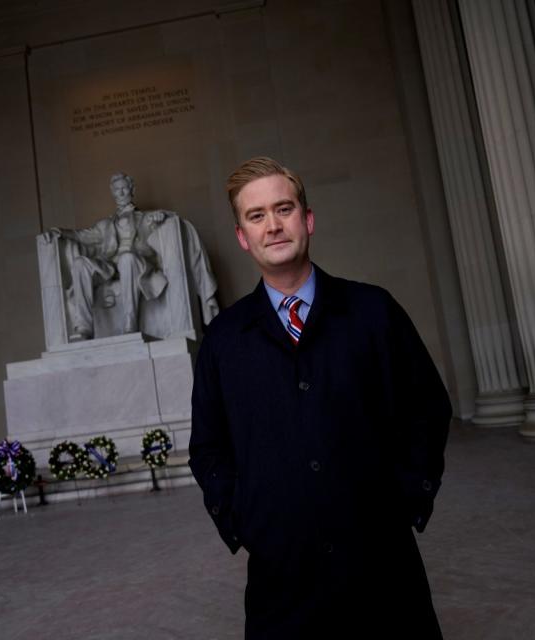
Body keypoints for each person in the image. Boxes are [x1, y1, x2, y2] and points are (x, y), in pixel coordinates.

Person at [189, 157, 451, 638]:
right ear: (242, 236)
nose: (273, 225)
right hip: (281, 582)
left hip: (384, 569)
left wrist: (406, 499)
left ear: (307, 219)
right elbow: (207, 446)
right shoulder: (223, 340)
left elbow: (426, 409)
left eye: (284, 209)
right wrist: (244, 519)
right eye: (257, 215)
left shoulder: (374, 311)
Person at [45, 172, 168, 339]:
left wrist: (162, 216)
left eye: (124, 188)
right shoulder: (105, 225)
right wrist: (59, 232)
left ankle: (130, 325)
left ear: (132, 189)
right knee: (80, 263)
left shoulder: (145, 217)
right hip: (110, 266)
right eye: (117, 189)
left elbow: (171, 219)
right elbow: (82, 235)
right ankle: (84, 329)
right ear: (113, 192)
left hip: (136, 262)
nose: (121, 192)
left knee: (127, 258)